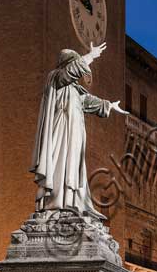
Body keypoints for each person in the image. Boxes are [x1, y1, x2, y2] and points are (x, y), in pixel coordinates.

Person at [30, 42, 127, 216]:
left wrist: (110, 106)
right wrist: (91, 56)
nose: (79, 73)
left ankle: (74, 201)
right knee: (61, 165)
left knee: (73, 167)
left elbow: (88, 101)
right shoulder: (56, 79)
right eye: (75, 64)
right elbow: (70, 73)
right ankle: (58, 201)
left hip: (74, 136)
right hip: (61, 134)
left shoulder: (73, 89)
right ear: (68, 64)